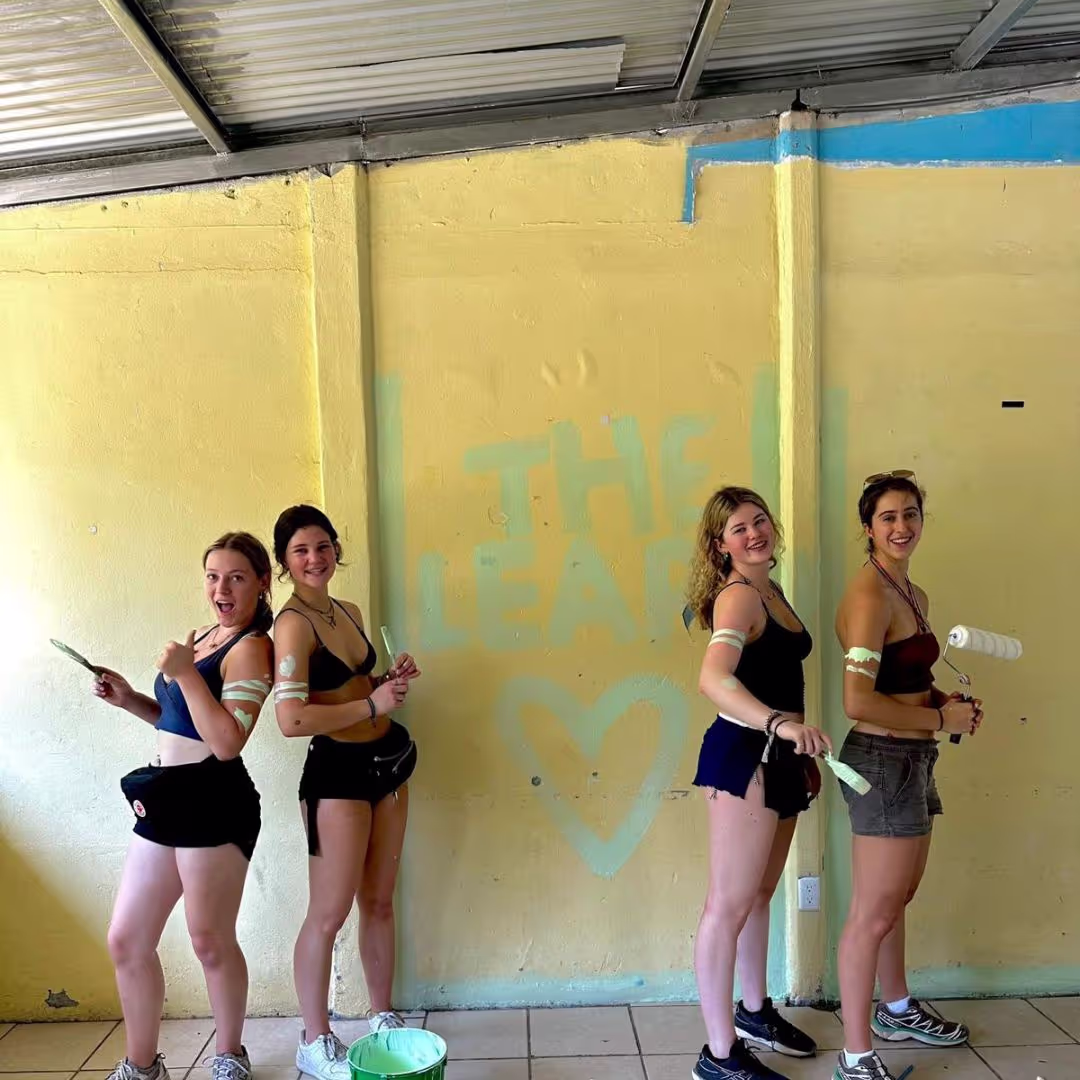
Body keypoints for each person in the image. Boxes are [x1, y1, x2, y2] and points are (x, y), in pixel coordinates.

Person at [92, 532, 274, 1080]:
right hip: (166, 797)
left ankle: (229, 1054)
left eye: (237, 577)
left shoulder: (251, 646)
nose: (222, 587)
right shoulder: (203, 639)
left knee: (209, 938)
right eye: (213, 575)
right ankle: (142, 1065)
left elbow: (225, 742)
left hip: (215, 800)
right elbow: (181, 723)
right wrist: (131, 701)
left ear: (262, 583)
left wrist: (185, 672)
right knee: (126, 938)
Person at [831, 471, 983, 1080]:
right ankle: (855, 1055)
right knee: (873, 909)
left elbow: (904, 682)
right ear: (868, 528)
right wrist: (938, 718)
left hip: (915, 758)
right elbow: (857, 702)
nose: (902, 527)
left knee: (898, 899)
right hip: (881, 762)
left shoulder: (912, 593)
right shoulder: (869, 598)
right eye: (889, 517)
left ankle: (895, 1008)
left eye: (912, 514)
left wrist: (945, 702)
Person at [686, 486, 832, 1080]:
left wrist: (798, 745)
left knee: (760, 895)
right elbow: (713, 678)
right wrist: (776, 724)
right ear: (720, 545)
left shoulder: (770, 587)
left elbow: (777, 672)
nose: (755, 533)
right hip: (744, 754)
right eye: (739, 528)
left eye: (760, 521)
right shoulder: (739, 598)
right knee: (727, 905)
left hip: (782, 755)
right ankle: (718, 1056)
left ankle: (754, 1012)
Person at [271, 505, 420, 1080]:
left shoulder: (347, 610)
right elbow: (291, 719)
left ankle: (382, 1014)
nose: (315, 557)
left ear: (337, 549)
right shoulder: (292, 625)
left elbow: (353, 686)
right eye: (301, 550)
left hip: (385, 763)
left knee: (379, 900)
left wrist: (386, 683)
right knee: (328, 913)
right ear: (285, 561)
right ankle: (315, 1038)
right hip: (335, 776)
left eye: (323, 546)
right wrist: (369, 705)